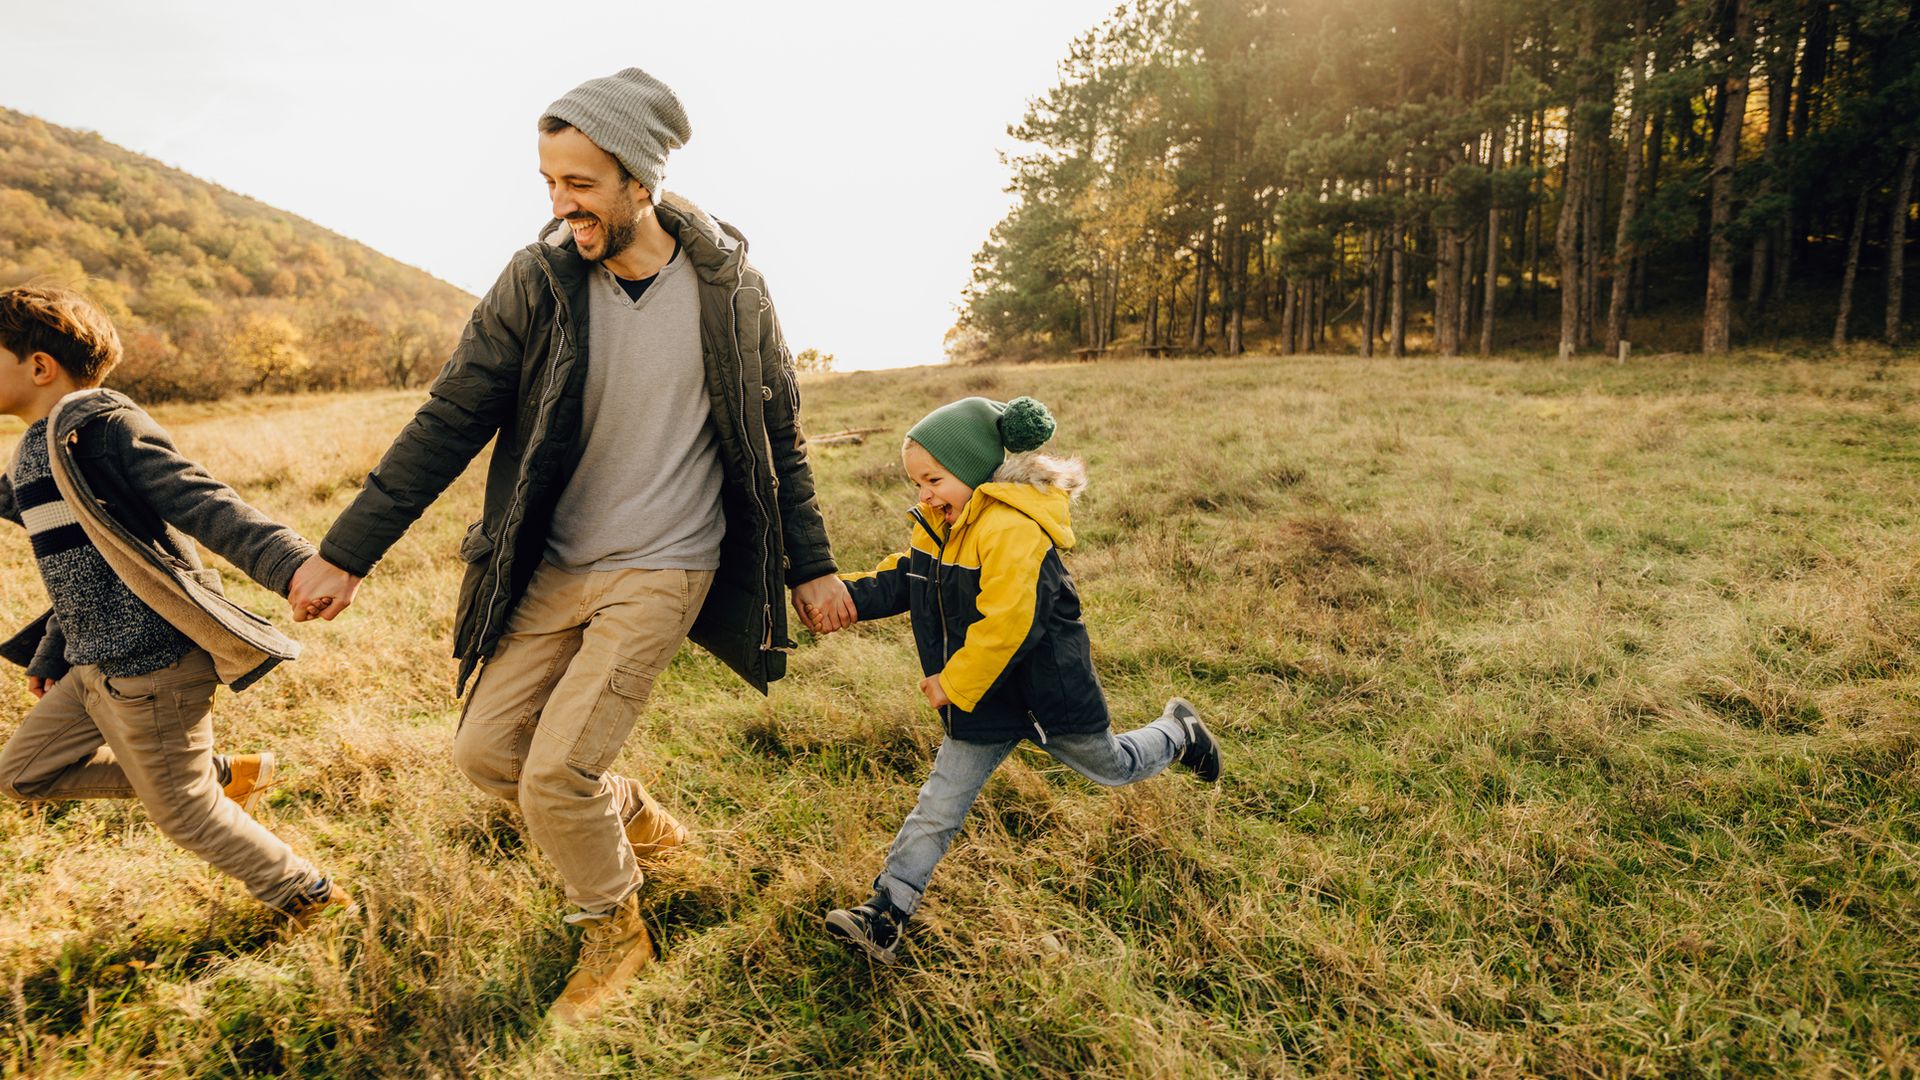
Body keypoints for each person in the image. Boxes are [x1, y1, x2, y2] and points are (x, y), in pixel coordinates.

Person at [284, 68, 853, 1022]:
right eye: (550, 182)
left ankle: (614, 930)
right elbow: (449, 418)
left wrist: (814, 563)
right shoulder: (539, 280)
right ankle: (629, 818)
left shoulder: (733, 291)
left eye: (580, 184)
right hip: (550, 563)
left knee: (554, 774)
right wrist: (346, 552)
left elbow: (775, 437)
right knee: (487, 754)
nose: (561, 205)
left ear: (641, 180)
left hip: (668, 561)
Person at [815, 395, 1221, 964]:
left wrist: (952, 684)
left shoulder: (1011, 529)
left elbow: (1008, 623)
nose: (924, 494)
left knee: (1114, 766)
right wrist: (847, 598)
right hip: (984, 704)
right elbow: (907, 578)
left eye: (934, 479)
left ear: (975, 469)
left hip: (1046, 694)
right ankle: (885, 912)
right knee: (939, 805)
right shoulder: (940, 526)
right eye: (917, 483)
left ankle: (1179, 731)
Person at [0, 285, 354, 927]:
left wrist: (296, 565)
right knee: (24, 775)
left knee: (182, 811)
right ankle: (220, 774)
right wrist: (55, 649)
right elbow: (77, 563)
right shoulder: (31, 450)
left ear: (39, 366)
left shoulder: (104, 429)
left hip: (152, 664)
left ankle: (310, 895)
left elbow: (204, 502)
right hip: (90, 668)